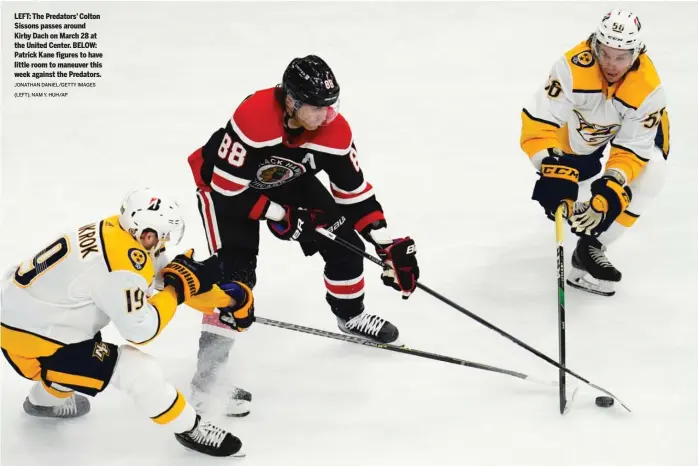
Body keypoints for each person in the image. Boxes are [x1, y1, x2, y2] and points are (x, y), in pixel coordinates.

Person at [186, 54, 420, 416]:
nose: (327, 116)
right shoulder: (254, 117)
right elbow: (228, 190)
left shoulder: (334, 129)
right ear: (291, 102)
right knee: (235, 280)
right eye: (317, 108)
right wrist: (283, 215)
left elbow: (353, 193)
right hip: (225, 187)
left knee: (346, 243)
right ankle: (208, 378)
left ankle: (350, 314)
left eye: (332, 106)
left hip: (285, 177)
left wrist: (386, 243)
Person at [0, 188, 255, 457]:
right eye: (164, 234)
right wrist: (176, 291)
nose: (166, 240)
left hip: (22, 316)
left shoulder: (118, 230)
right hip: (36, 341)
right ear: (147, 234)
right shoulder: (119, 264)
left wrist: (228, 301)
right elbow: (142, 331)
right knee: (137, 368)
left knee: (82, 358)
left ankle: (42, 402)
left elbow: (163, 274)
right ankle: (191, 429)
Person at [520, 9, 669, 296]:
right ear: (595, 45)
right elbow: (539, 124)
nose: (611, 65)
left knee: (652, 173)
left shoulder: (648, 89)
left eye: (621, 57)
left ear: (637, 52)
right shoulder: (572, 67)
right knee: (575, 185)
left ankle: (591, 247)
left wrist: (613, 184)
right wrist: (550, 167)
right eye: (606, 53)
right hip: (580, 130)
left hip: (626, 125)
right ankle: (582, 201)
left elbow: (631, 148)